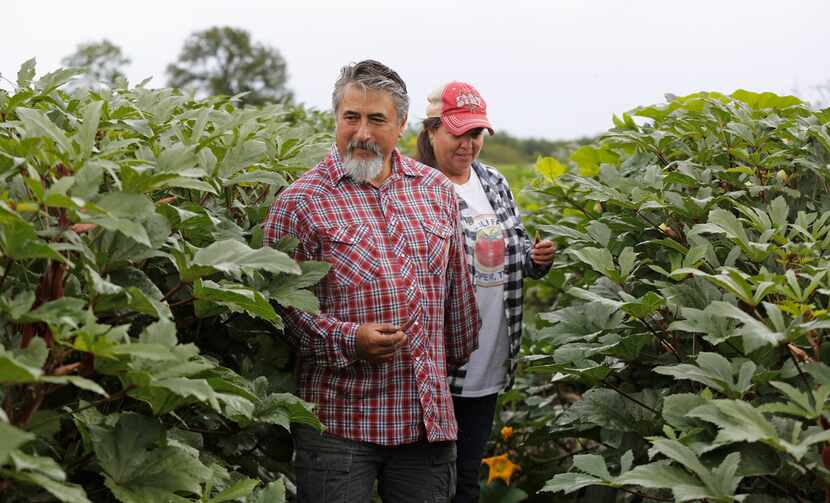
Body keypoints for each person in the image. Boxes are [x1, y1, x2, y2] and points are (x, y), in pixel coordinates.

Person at [262, 61, 480, 503]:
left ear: (401, 124)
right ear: (336, 119)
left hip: (426, 422)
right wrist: (349, 339)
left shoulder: (436, 191)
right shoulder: (299, 203)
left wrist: (452, 357)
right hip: (338, 425)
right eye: (351, 117)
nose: (361, 132)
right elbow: (280, 309)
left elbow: (458, 292)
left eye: (376, 119)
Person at [415, 82, 556, 503]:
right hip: (437, 363)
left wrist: (537, 259)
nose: (468, 144)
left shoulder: (492, 181)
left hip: (490, 356)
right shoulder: (415, 186)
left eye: (475, 134)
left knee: (467, 481)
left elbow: (516, 251)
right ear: (432, 130)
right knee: (428, 481)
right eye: (458, 133)